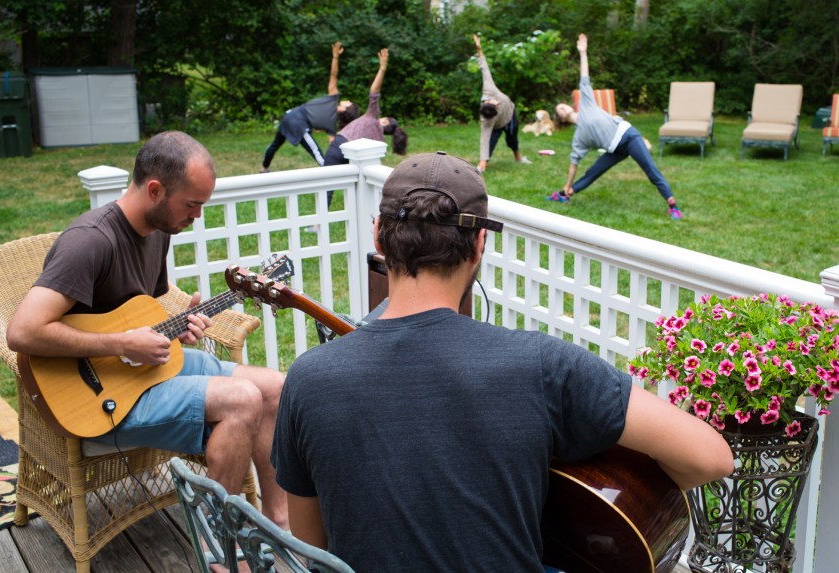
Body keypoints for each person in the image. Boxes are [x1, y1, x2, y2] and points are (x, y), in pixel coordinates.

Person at [270, 151, 734, 572]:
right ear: (478, 247)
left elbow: (314, 541)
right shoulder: (542, 365)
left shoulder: (308, 378)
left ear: (379, 236)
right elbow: (711, 458)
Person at [6, 131, 288, 534]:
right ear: (155, 189)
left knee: (276, 388)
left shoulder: (157, 232)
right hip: (99, 397)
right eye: (192, 204)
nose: (197, 216)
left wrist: (180, 322)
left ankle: (281, 523)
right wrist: (121, 343)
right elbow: (23, 331)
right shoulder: (89, 242)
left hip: (143, 374)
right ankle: (218, 544)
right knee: (242, 399)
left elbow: (138, 312)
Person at [547, 34, 682, 220]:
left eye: (563, 105)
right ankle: (564, 194)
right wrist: (567, 184)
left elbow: (584, 76)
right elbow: (573, 164)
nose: (562, 107)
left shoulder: (585, 102)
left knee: (650, 170)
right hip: (615, 149)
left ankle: (673, 205)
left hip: (628, 136)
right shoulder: (579, 137)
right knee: (593, 172)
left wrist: (583, 53)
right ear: (561, 119)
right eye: (559, 110)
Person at [322, 47, 408, 207]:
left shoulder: (372, 117)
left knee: (326, 185)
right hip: (356, 158)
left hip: (339, 145)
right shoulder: (380, 142)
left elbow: (374, 91)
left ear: (384, 122)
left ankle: (317, 225)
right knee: (357, 186)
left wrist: (382, 68)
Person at [260, 41, 359, 173]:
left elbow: (332, 143)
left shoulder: (332, 119)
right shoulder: (332, 101)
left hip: (291, 116)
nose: (347, 100)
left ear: (343, 109)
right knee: (316, 151)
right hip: (298, 121)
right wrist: (335, 57)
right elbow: (333, 75)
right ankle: (328, 172)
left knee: (275, 144)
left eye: (348, 103)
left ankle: (264, 168)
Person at [473, 34, 532, 173]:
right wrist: (482, 158)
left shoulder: (489, 87)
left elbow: (484, 69)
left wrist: (479, 50)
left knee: (512, 141)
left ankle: (518, 157)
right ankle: (482, 165)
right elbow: (484, 138)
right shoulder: (486, 119)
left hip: (509, 115)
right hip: (497, 124)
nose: (497, 102)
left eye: (496, 103)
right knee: (490, 143)